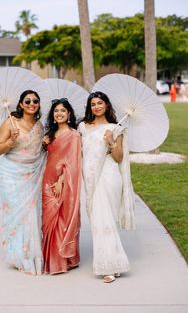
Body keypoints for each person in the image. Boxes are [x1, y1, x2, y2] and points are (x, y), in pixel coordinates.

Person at [78, 91, 135, 283]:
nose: (96, 107)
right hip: (91, 178)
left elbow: (119, 157)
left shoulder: (116, 128)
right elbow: (79, 154)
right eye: (93, 104)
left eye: (100, 103)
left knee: (106, 220)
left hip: (109, 176)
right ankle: (114, 262)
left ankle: (108, 266)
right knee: (97, 221)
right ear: (90, 107)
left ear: (107, 105)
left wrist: (110, 140)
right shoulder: (83, 127)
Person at [0, 90, 46, 275]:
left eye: (35, 101)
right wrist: (11, 140)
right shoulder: (10, 123)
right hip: (10, 174)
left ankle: (31, 252)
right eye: (28, 101)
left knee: (31, 214)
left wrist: (46, 143)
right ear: (21, 104)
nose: (32, 103)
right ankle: (18, 256)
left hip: (31, 174)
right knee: (16, 215)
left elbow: (38, 149)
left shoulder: (39, 125)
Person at [42, 98, 81, 274]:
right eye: (56, 111)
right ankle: (50, 258)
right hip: (47, 181)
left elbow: (73, 162)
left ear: (69, 114)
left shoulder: (74, 135)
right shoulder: (49, 135)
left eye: (63, 111)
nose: (59, 114)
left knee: (63, 220)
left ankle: (62, 261)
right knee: (48, 220)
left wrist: (61, 181)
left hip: (64, 182)